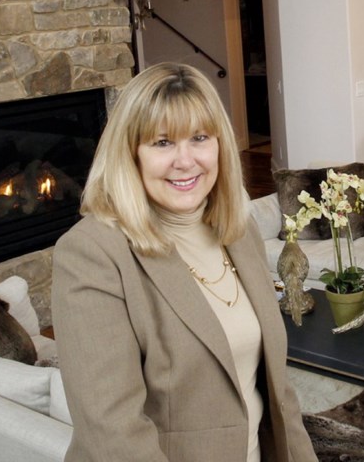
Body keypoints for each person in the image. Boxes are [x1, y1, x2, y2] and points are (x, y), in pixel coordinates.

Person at [52, 63, 317, 461]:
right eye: (162, 143)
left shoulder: (238, 230)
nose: (185, 160)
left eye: (199, 138)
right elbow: (112, 432)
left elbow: (278, 393)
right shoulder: (92, 254)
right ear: (130, 154)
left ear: (220, 145)